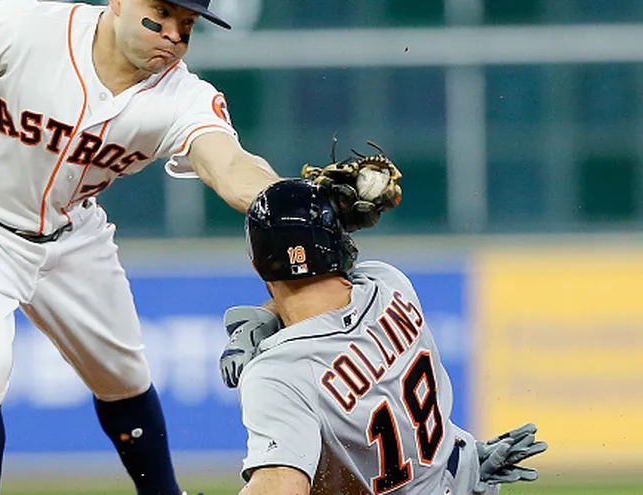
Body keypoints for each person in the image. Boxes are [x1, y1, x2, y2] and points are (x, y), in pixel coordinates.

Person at [0, 1, 285, 494]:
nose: (173, 34)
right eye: (161, 15)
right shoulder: (32, 29)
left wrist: (294, 200)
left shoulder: (182, 96)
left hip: (72, 234)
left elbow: (230, 166)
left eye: (187, 26)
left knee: (124, 377)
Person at [219, 179, 547, 495]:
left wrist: (263, 321)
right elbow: (320, 293)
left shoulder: (278, 373)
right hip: (457, 476)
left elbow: (282, 485)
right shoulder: (389, 286)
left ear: (257, 263)